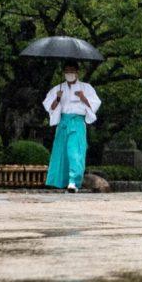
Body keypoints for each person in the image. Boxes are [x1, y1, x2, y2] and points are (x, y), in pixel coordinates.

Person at [43, 60, 101, 192]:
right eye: (67, 71)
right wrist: (57, 98)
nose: (70, 73)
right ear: (64, 72)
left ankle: (73, 181)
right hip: (63, 122)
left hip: (77, 123)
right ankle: (58, 181)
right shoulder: (58, 88)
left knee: (75, 152)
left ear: (77, 72)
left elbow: (95, 104)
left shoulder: (86, 88)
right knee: (60, 153)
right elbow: (49, 107)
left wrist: (83, 98)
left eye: (72, 71)